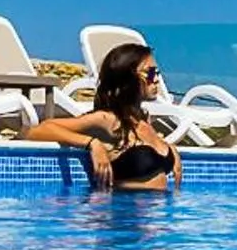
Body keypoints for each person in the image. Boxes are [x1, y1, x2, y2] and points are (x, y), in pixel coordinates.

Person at [28, 42, 181, 191]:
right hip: (122, 212)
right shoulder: (108, 120)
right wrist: (92, 144)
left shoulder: (142, 119)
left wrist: (167, 148)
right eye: (150, 73)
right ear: (128, 78)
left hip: (156, 213)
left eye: (157, 73)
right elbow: (36, 131)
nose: (156, 79)